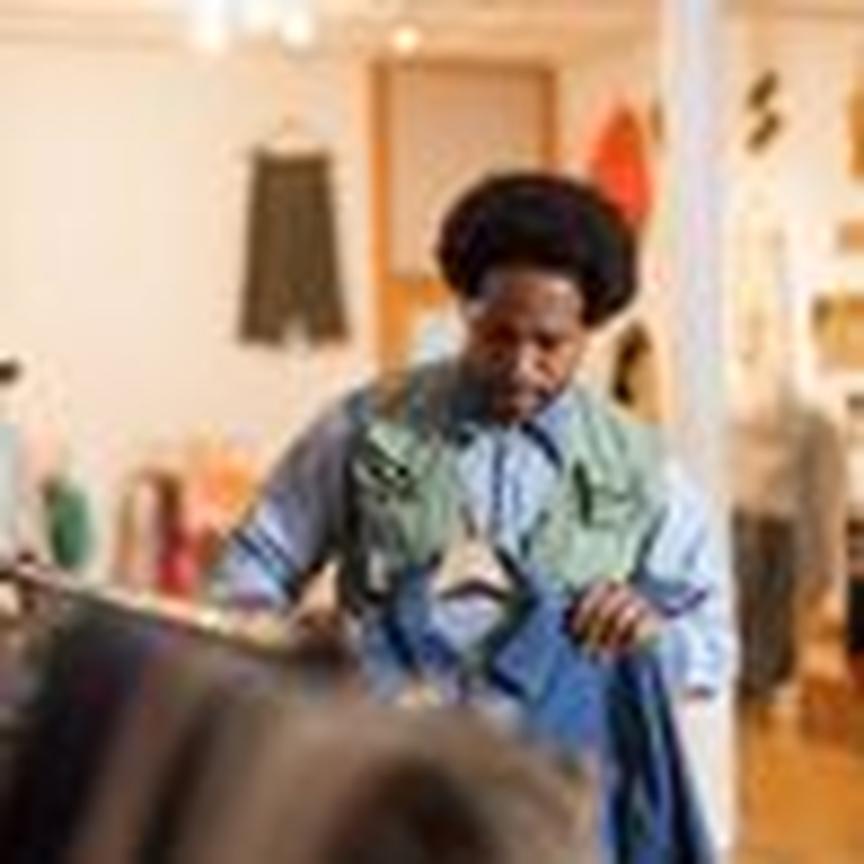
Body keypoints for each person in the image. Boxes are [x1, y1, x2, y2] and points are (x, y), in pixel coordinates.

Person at [211, 173, 735, 855]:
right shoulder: (366, 429)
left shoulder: (645, 470)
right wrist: (289, 642)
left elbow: (714, 647)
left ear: (589, 332)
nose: (520, 366)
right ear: (466, 309)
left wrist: (653, 637)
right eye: (497, 336)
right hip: (390, 789)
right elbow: (251, 568)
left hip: (561, 808)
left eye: (549, 344)